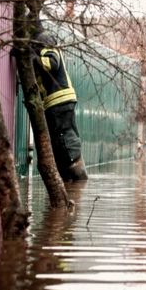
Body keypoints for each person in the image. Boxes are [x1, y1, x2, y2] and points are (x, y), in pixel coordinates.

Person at [30, 22, 88, 181]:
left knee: (65, 142)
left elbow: (53, 63)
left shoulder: (44, 38)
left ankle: (78, 181)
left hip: (59, 100)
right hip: (56, 102)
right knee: (60, 144)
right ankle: (71, 185)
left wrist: (33, 59)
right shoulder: (38, 41)